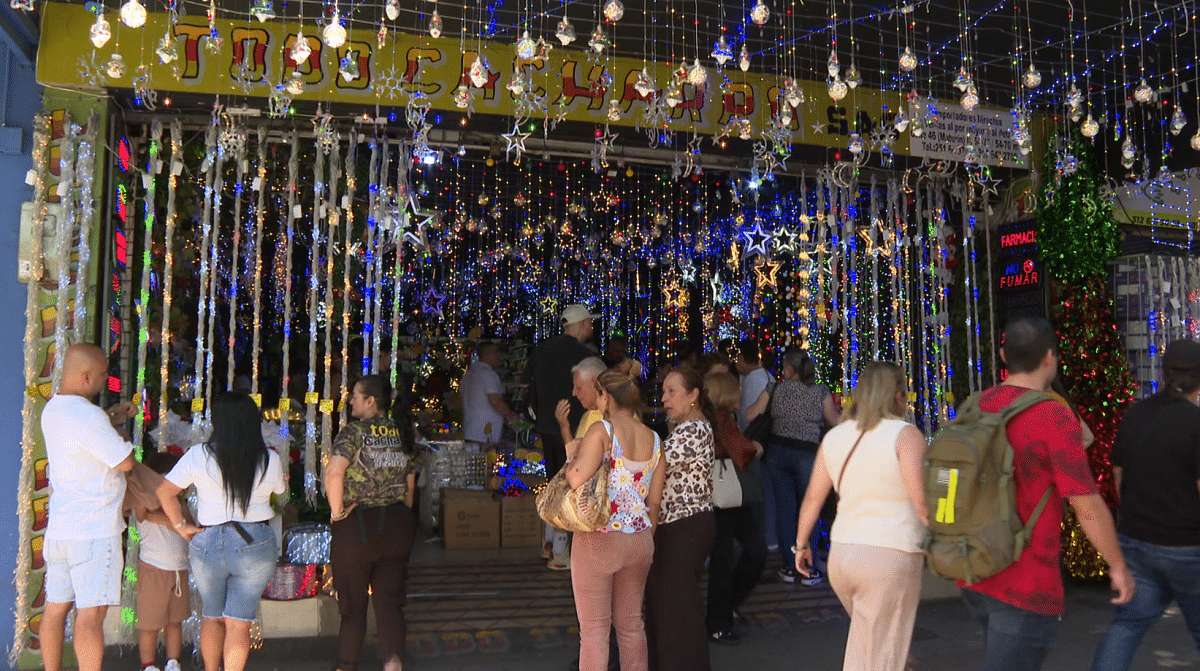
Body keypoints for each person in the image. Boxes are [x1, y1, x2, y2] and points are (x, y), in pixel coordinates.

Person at [960, 317, 1133, 671]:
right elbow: (1086, 505)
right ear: (1050, 357)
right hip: (1025, 580)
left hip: (974, 568)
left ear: (1004, 356)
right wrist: (1117, 566)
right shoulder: (1053, 415)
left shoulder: (977, 404)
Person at [793, 361, 928, 671]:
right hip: (890, 556)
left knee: (867, 646)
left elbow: (814, 497)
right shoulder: (905, 434)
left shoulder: (836, 437)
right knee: (882, 656)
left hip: (843, 557)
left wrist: (801, 545)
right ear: (898, 396)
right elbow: (921, 502)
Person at [1090, 338, 1200, 671]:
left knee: (1127, 626)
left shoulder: (1135, 414)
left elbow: (1118, 473)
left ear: (1164, 373)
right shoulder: (1195, 422)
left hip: (1137, 542)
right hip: (1188, 548)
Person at [156, 392, 287, 671]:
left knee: (212, 616)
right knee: (239, 625)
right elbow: (280, 491)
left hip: (208, 541)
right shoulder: (269, 458)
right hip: (255, 542)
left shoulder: (198, 455)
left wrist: (181, 526)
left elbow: (164, 492)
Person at [41, 343, 137, 671]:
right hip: (94, 532)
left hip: (61, 530)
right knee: (91, 615)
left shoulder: (52, 409)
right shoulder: (89, 415)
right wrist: (127, 439)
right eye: (101, 375)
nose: (105, 379)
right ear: (85, 376)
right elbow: (125, 462)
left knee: (55, 610)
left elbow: (83, 436)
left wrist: (111, 416)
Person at [566, 364, 666, 671]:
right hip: (639, 539)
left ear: (606, 397)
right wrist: (643, 536)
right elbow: (655, 501)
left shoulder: (602, 430)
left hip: (600, 537)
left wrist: (571, 458)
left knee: (595, 631)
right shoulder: (655, 439)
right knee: (631, 625)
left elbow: (576, 479)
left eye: (598, 395)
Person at [324, 375, 418, 671]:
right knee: (389, 605)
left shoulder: (353, 433)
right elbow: (411, 485)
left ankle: (345, 666)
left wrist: (337, 513)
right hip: (397, 525)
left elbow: (333, 474)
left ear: (370, 401)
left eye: (355, 395)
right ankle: (393, 665)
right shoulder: (402, 431)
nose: (350, 400)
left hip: (358, 528)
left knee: (352, 610)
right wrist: (401, 515)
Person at [747, 348, 841, 583]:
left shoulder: (774, 388)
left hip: (777, 453)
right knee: (811, 507)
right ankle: (810, 568)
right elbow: (835, 421)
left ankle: (790, 567)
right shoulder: (820, 391)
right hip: (807, 455)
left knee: (785, 510)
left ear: (788, 369)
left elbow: (750, 416)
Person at [645, 366, 716, 671]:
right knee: (666, 604)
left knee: (677, 607)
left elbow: (652, 464)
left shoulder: (696, 430)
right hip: (675, 526)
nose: (664, 398)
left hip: (685, 527)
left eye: (672, 391)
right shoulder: (683, 428)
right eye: (663, 391)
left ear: (693, 395)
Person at [524, 304, 599, 568]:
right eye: (589, 323)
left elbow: (525, 383)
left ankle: (548, 544)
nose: (591, 327)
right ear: (580, 325)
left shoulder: (541, 349)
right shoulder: (585, 355)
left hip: (546, 424)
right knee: (571, 485)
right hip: (574, 427)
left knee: (553, 482)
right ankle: (559, 552)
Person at [703, 372, 767, 644]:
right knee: (742, 554)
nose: (741, 394)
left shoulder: (713, 418)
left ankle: (721, 614)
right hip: (727, 497)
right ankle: (719, 620)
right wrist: (758, 447)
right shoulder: (722, 420)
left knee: (727, 557)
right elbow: (744, 454)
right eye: (736, 390)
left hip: (722, 497)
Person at [136, 452, 190, 671]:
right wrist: (173, 521)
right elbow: (142, 515)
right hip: (152, 569)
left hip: (178, 570)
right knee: (149, 624)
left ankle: (173, 662)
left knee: (174, 621)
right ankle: (148, 665)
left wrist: (175, 519)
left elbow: (188, 525)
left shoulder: (181, 506)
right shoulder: (144, 504)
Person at [461, 342, 513, 444]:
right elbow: (495, 401)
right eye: (496, 352)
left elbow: (460, 400)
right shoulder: (487, 373)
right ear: (487, 354)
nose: (499, 356)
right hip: (485, 435)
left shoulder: (469, 374)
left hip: (470, 431)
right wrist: (512, 416)